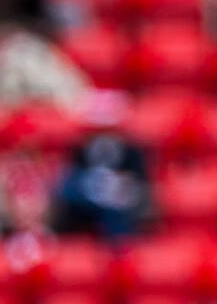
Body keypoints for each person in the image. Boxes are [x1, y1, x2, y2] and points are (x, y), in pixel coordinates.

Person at [51, 91, 151, 239]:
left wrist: (120, 188)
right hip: (85, 204)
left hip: (120, 206)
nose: (104, 135)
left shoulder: (132, 152)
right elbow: (70, 183)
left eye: (109, 129)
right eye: (98, 129)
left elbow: (140, 186)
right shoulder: (81, 150)